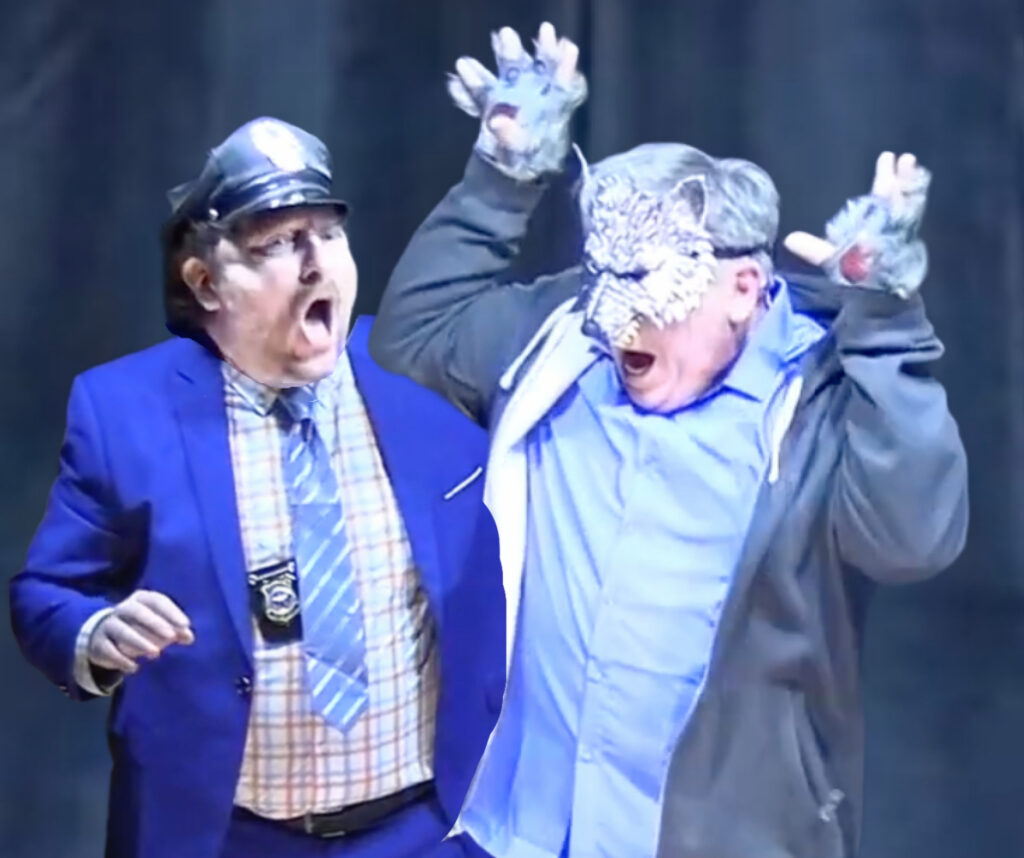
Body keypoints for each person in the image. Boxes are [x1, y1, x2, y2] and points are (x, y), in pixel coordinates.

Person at [369, 23, 969, 858]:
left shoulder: (821, 401)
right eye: (603, 273)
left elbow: (914, 540)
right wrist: (501, 180)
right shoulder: (564, 340)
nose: (613, 315)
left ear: (743, 287)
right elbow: (414, 336)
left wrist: (887, 326)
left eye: (647, 279)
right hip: (520, 834)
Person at [9, 117, 505, 858]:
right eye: (275, 244)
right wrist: (97, 633)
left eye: (327, 235)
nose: (315, 265)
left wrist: (504, 170)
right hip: (227, 836)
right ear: (205, 283)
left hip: (422, 830)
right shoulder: (126, 414)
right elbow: (46, 594)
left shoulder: (420, 374)